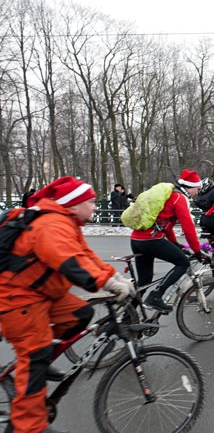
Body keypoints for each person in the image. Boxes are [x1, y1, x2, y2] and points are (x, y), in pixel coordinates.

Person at [0, 176, 134, 433]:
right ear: (73, 204)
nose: (95, 207)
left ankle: (40, 356)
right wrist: (107, 283)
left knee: (81, 314)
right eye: (91, 202)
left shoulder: (67, 222)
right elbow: (70, 262)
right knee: (35, 355)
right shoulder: (51, 224)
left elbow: (85, 255)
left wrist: (113, 276)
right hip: (19, 299)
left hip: (42, 294)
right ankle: (27, 426)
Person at [130, 169, 209, 313]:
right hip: (151, 240)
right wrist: (197, 251)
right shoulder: (180, 198)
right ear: (190, 187)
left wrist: (175, 244)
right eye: (197, 189)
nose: (197, 193)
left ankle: (126, 317)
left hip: (137, 239)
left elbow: (165, 225)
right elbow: (188, 228)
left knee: (144, 281)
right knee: (183, 263)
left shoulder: (169, 195)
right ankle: (156, 296)